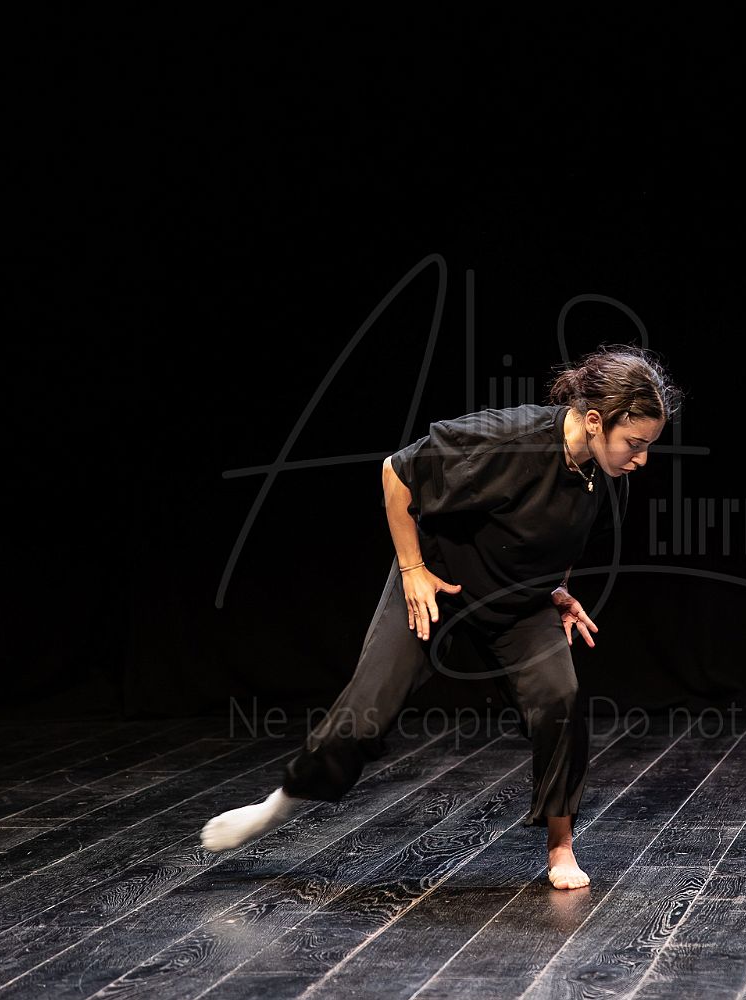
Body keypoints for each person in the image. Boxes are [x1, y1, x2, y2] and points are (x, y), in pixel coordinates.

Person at [200, 344, 683, 890]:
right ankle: (278, 804)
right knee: (367, 710)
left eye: (647, 446)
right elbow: (396, 471)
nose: (641, 459)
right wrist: (411, 569)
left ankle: (561, 846)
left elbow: (569, 538)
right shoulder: (508, 439)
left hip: (518, 601)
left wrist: (558, 588)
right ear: (594, 421)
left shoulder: (605, 476)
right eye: (634, 443)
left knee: (560, 700)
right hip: (438, 584)